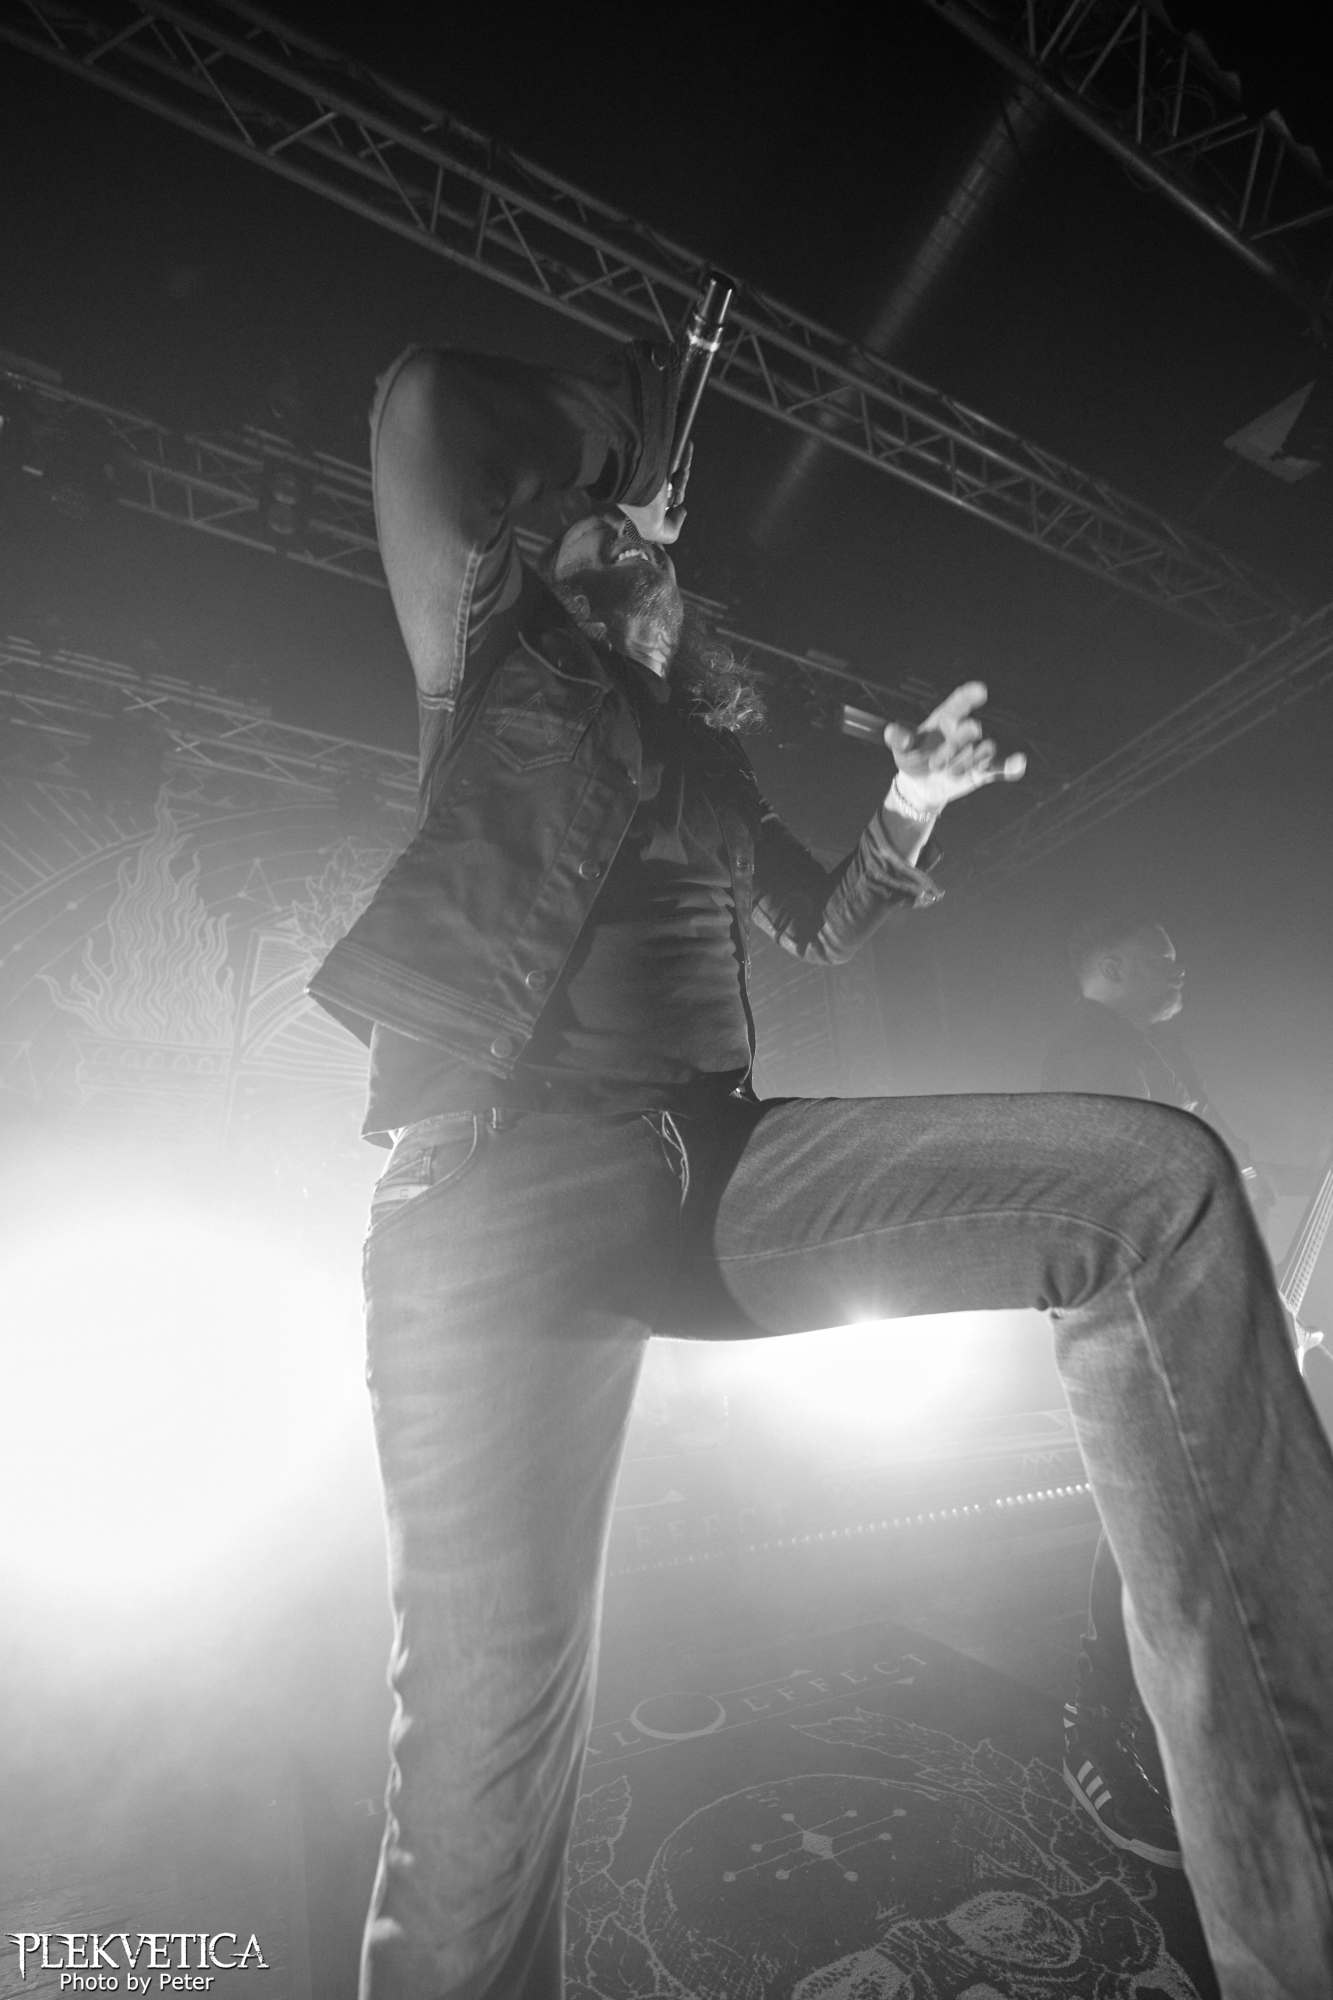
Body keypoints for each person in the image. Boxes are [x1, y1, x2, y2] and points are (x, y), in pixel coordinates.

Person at [309, 336, 1333, 2000]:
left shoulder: (699, 759)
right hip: (501, 1194)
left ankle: (1295, 1928)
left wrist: (908, 806)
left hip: (714, 1170)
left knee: (1157, 1192)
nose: (624, 546)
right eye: (591, 532)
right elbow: (421, 400)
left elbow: (818, 917)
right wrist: (619, 472)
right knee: (484, 1788)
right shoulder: (491, 663)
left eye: (642, 541)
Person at [1044, 912, 1321, 1876]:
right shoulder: (1094, 1055)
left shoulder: (1148, 1049)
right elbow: (1128, 1200)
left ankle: (1181, 1726)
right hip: (1153, 1324)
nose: (1182, 969)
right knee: (1149, 1524)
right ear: (1110, 963)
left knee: (1196, 1526)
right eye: (1163, 957)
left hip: (1191, 1312)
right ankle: (1095, 1732)